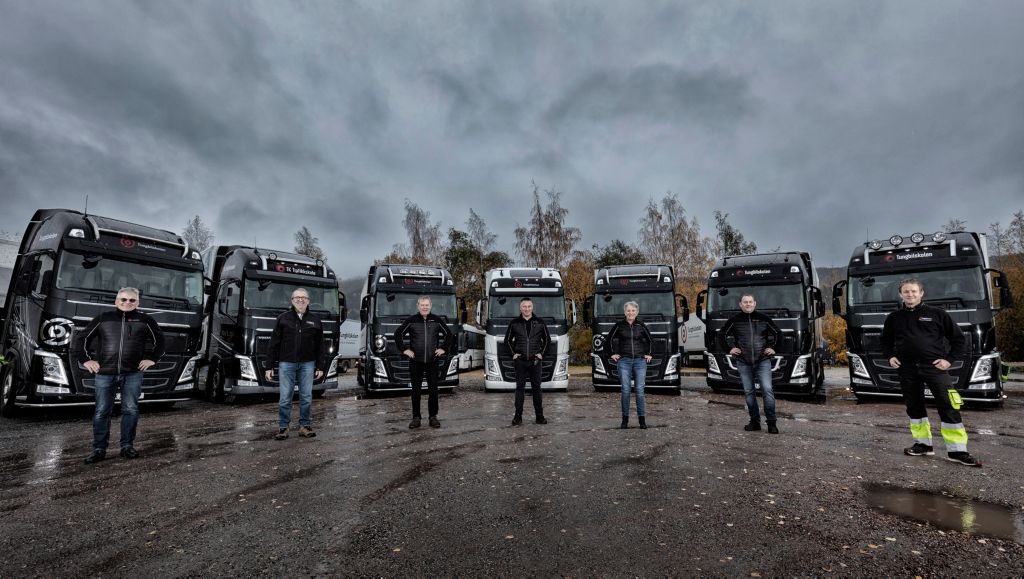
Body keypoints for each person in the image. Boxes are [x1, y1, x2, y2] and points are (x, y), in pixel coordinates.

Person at [881, 278, 979, 467]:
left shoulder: (937, 314)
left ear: (921, 293)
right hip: (907, 368)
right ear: (901, 294)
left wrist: (948, 360)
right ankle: (923, 445)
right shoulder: (894, 317)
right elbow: (885, 341)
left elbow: (959, 340)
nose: (910, 294)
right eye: (906, 292)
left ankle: (958, 451)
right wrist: (890, 356)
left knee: (948, 404)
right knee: (914, 406)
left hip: (934, 368)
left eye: (914, 291)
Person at [76, 287, 165, 464]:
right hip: (104, 373)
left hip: (132, 373)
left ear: (138, 303)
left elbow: (160, 341)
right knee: (102, 411)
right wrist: (86, 360)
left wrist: (152, 359)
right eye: (123, 299)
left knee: (130, 409)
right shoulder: (103, 318)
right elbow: (82, 339)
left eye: (132, 300)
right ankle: (99, 449)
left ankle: (127, 447)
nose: (127, 303)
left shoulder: (145, 320)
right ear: (116, 301)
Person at [265, 288, 324, 440]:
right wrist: (269, 366)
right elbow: (274, 343)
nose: (300, 300)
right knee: (285, 397)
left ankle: (304, 426)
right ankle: (283, 428)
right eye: (297, 297)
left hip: (308, 364)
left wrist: (320, 366)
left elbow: (320, 346)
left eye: (304, 297)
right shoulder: (283, 319)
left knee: (306, 397)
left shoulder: (315, 320)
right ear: (292, 301)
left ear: (308, 301)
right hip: (286, 363)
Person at [722, 293, 781, 433]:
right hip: (743, 361)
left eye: (750, 302)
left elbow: (779, 334)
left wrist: (774, 348)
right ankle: (755, 422)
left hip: (763, 360)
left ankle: (772, 423)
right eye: (745, 302)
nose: (748, 304)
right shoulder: (734, 320)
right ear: (740, 304)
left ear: (755, 303)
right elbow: (721, 335)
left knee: (767, 390)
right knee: (749, 392)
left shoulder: (764, 319)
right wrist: (729, 348)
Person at [395, 296, 453, 429]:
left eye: (427, 305)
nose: (425, 307)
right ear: (418, 306)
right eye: (422, 305)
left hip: (432, 361)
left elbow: (449, 335)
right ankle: (416, 418)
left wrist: (443, 348)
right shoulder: (411, 321)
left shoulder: (437, 320)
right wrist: (405, 350)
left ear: (431, 306)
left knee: (433, 390)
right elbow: (398, 334)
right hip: (416, 361)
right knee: (416, 390)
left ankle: (433, 417)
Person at [607, 301, 654, 429]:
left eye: (633, 310)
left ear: (637, 312)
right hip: (624, 362)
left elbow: (650, 340)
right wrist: (612, 353)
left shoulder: (641, 325)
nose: (630, 313)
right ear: (625, 312)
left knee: (639, 390)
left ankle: (642, 420)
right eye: (628, 310)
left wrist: (649, 354)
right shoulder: (619, 325)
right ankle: (625, 420)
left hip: (639, 361)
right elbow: (609, 339)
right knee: (626, 390)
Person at [504, 297, 550, 425]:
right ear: (520, 308)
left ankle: (539, 416)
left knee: (537, 388)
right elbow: (507, 341)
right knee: (520, 388)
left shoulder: (540, 322)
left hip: (535, 361)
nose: (527, 309)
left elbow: (548, 340)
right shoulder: (514, 323)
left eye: (529, 306)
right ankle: (518, 417)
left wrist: (542, 354)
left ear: (532, 307)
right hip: (520, 361)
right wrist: (513, 354)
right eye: (524, 306)